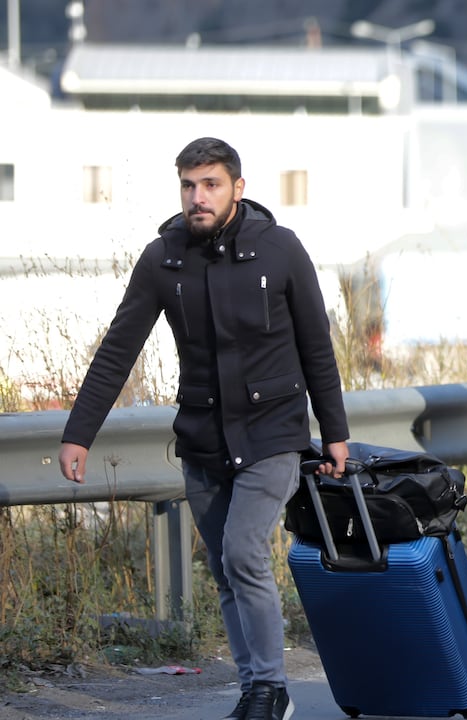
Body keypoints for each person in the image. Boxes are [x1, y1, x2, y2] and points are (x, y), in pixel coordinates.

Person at [58, 137, 349, 720]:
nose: (199, 197)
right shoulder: (163, 258)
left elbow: (317, 345)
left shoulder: (280, 250)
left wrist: (334, 431)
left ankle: (271, 688)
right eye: (189, 186)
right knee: (222, 568)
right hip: (203, 436)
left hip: (272, 432)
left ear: (238, 188)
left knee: (244, 552)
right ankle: (252, 689)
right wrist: (79, 431)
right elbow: (119, 349)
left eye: (210, 184)